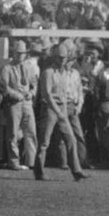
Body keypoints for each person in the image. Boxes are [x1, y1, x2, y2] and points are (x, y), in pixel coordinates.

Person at [33, 43, 87, 181]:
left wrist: (62, 110)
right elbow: (47, 94)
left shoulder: (65, 73)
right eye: (60, 57)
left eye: (64, 57)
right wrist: (58, 111)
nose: (63, 60)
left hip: (61, 108)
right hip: (50, 109)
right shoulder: (48, 72)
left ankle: (76, 170)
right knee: (44, 142)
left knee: (71, 139)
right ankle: (39, 171)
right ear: (55, 57)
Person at [1, 39, 36, 171]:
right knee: (13, 134)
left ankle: (31, 162)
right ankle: (14, 162)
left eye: (23, 53)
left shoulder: (29, 67)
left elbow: (34, 84)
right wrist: (16, 95)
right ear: (14, 53)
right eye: (18, 53)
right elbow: (4, 87)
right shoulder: (7, 68)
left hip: (27, 102)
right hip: (14, 103)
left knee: (31, 131)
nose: (21, 55)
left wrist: (31, 93)